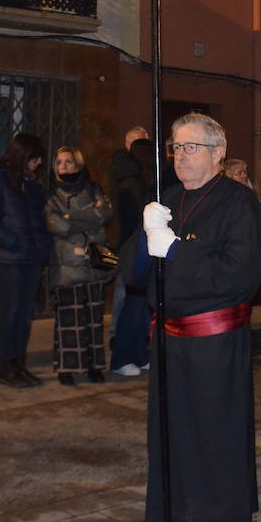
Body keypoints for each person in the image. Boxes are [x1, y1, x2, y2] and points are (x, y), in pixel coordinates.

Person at [126, 113, 261, 522]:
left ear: (217, 154)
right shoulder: (166, 201)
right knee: (169, 434)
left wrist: (175, 253)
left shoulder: (239, 203)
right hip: (169, 340)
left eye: (191, 147)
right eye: (175, 148)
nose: (181, 156)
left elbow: (239, 275)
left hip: (215, 340)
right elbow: (132, 275)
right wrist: (147, 241)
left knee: (217, 438)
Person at [0, 133, 50, 389]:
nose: (39, 163)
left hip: (30, 259)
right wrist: (12, 241)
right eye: (35, 158)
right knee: (9, 314)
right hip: (8, 260)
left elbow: (39, 222)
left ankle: (19, 363)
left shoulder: (33, 186)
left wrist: (42, 249)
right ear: (23, 155)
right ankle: (6, 366)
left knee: (24, 315)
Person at [45, 146, 114, 385]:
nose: (63, 166)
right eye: (59, 162)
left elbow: (104, 214)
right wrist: (87, 218)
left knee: (94, 318)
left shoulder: (94, 188)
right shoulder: (51, 195)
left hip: (95, 262)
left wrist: (71, 218)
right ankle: (66, 368)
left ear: (78, 164)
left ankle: (95, 365)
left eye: (68, 161)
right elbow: (55, 225)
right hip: (66, 264)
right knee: (68, 320)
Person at [110, 137, 157, 376]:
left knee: (140, 307)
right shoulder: (133, 184)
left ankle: (138, 353)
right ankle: (122, 357)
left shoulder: (136, 182)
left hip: (137, 248)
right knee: (131, 306)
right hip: (134, 249)